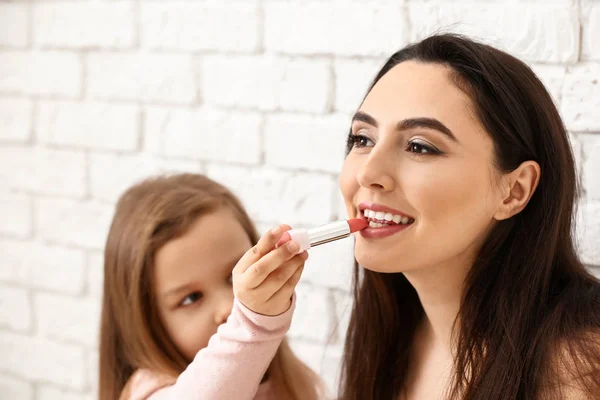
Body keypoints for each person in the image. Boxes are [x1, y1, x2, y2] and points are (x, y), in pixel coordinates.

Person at [338, 34, 600, 399]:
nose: (368, 173)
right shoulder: (392, 336)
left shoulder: (580, 367)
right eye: (362, 139)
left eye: (419, 146)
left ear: (515, 190)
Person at [98, 173, 323, 400]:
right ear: (148, 321)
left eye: (233, 278)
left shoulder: (291, 383)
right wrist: (254, 323)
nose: (227, 307)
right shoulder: (148, 390)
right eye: (192, 298)